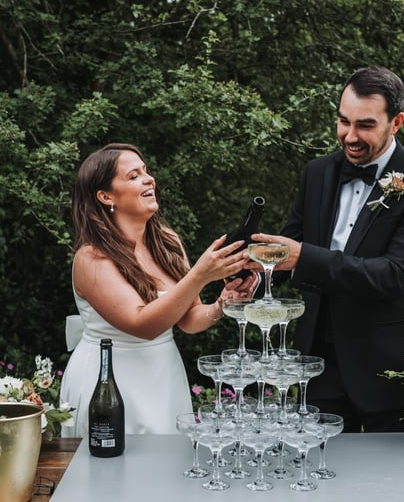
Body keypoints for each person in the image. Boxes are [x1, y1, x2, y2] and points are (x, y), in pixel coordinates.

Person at [251, 66, 404, 433]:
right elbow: (288, 247)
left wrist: (305, 257)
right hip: (318, 362)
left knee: (394, 469)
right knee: (317, 463)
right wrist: (254, 275)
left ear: (396, 123)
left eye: (365, 125)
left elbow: (394, 275)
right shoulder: (317, 172)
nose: (350, 136)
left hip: (387, 366)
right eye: (344, 121)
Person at [60, 143, 258, 436]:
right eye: (134, 176)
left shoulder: (167, 241)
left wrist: (221, 304)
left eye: (146, 172)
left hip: (164, 377)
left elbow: (189, 319)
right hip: (109, 382)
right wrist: (200, 275)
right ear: (105, 196)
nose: (149, 179)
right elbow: (143, 325)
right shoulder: (91, 258)